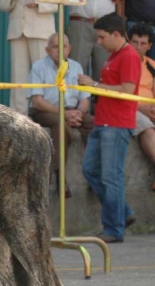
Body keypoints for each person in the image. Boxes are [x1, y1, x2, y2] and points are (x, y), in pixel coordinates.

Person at [78, 12, 141, 243]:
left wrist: (94, 84)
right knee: (91, 170)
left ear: (116, 34)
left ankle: (114, 228)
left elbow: (126, 89)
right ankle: (122, 214)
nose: (99, 42)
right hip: (103, 121)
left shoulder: (129, 56)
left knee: (110, 176)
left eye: (102, 37)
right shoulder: (115, 55)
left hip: (116, 123)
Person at [28, 33, 94, 199]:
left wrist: (79, 112)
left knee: (98, 124)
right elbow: (37, 101)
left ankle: (95, 173)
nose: (60, 51)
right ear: (47, 50)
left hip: (73, 110)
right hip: (47, 111)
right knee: (59, 124)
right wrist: (65, 114)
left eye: (64, 47)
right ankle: (60, 175)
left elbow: (85, 98)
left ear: (70, 49)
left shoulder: (76, 66)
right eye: (55, 47)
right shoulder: (38, 66)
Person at [0, 0, 57, 114]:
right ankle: (18, 118)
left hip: (41, 29)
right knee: (18, 78)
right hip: (17, 30)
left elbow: (59, 4)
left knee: (45, 76)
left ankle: (48, 118)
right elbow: (2, 5)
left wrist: (38, 4)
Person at [128, 23, 155, 191]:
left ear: (149, 46)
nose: (139, 47)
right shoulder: (121, 62)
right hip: (132, 109)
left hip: (151, 109)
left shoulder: (152, 65)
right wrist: (142, 108)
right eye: (135, 42)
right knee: (148, 130)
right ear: (128, 41)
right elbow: (121, 95)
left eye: (143, 43)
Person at [65, 0, 115, 83]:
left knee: (104, 71)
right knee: (75, 69)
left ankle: (98, 96)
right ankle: (75, 95)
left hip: (106, 25)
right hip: (80, 21)